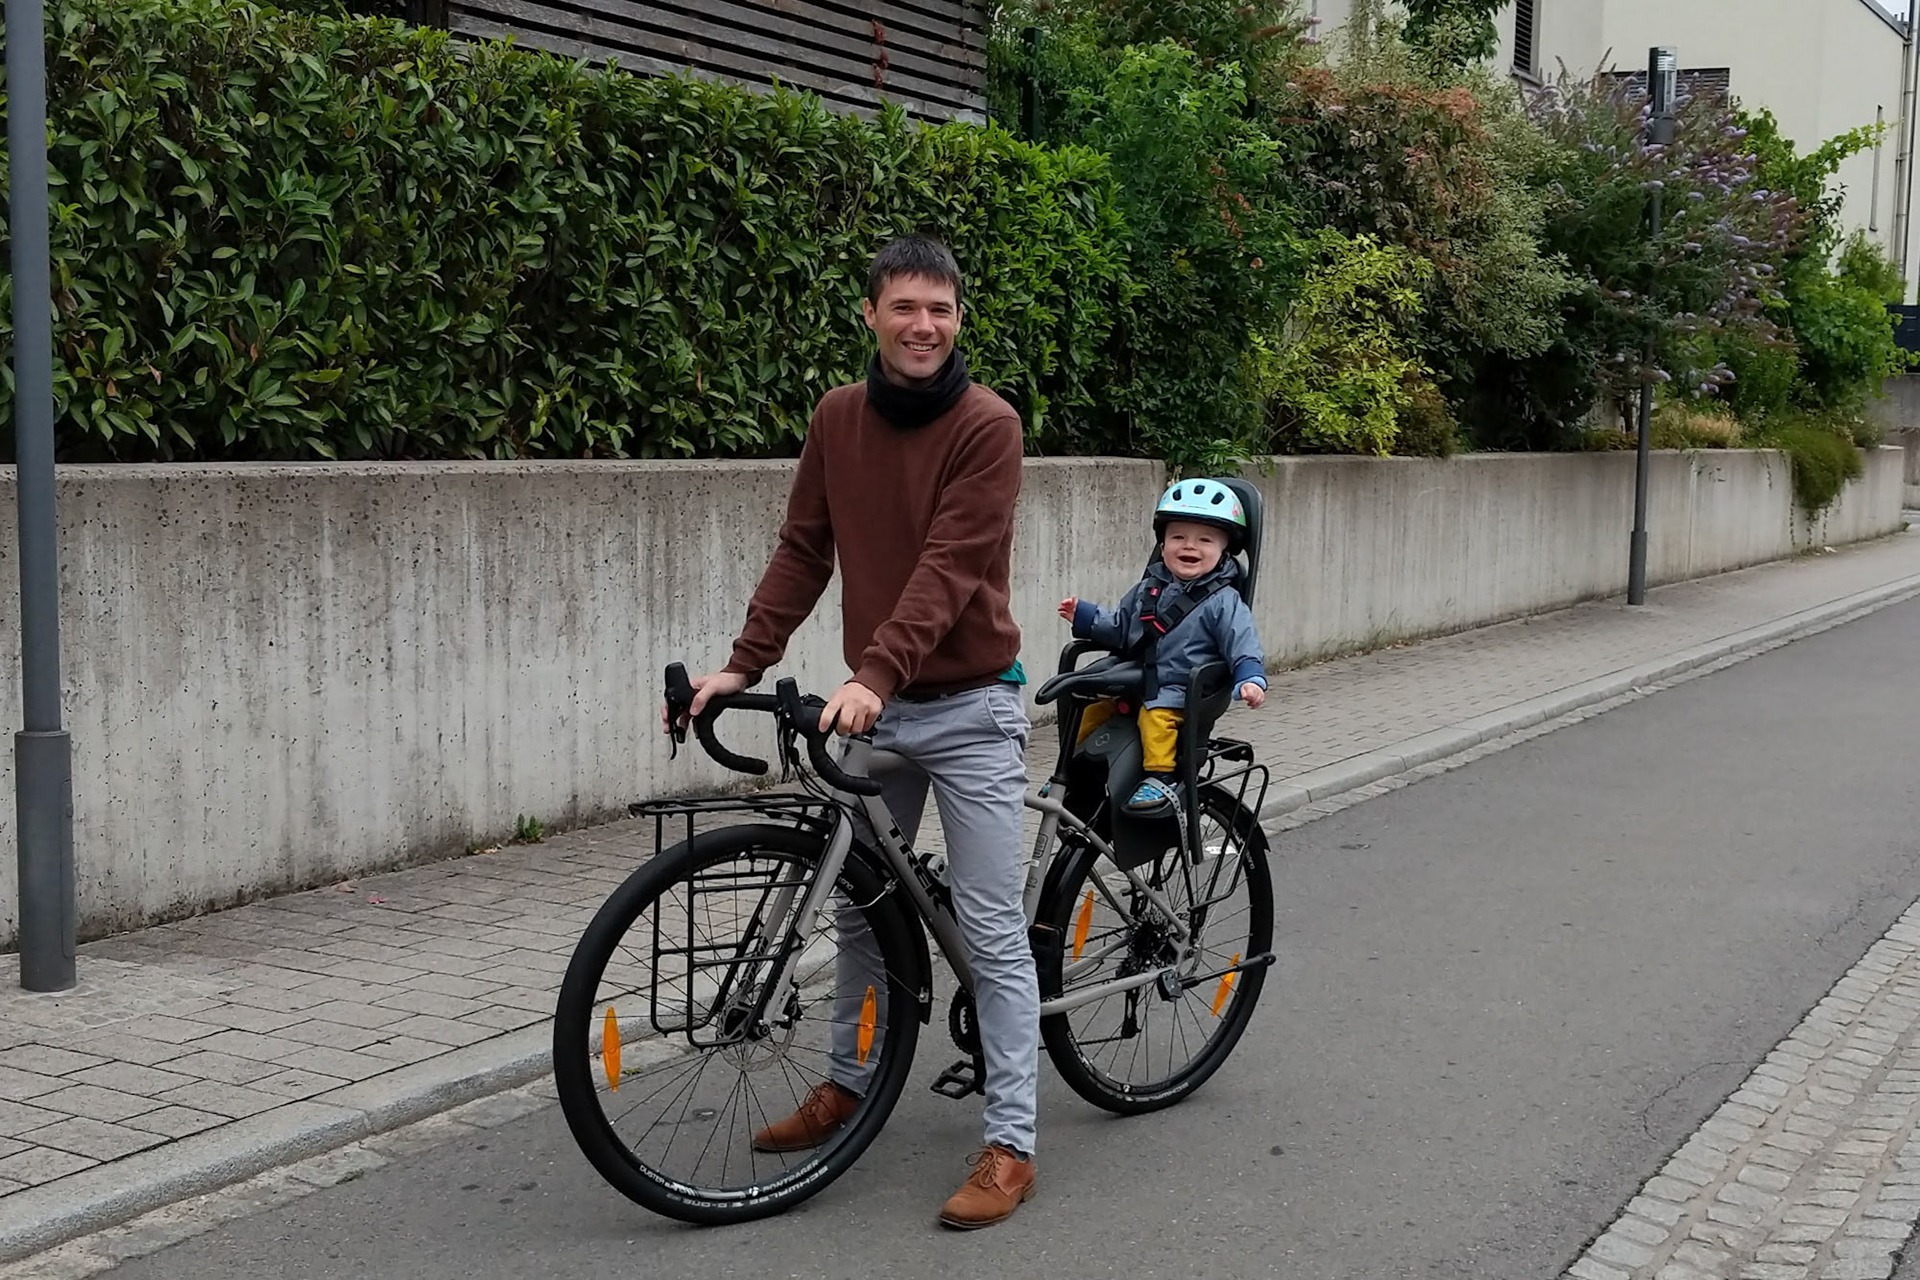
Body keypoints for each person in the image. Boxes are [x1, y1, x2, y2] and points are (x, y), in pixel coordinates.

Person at [672, 234, 1039, 1229]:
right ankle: (849, 1078)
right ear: (871, 314)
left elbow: (950, 564)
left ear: (960, 318)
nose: (926, 325)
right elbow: (804, 548)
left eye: (943, 309)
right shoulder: (839, 418)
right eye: (907, 307)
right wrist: (740, 665)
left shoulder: (987, 425)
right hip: (881, 701)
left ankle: (1012, 1140)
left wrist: (874, 671)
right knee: (860, 910)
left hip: (966, 705)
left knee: (993, 928)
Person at [1057, 478, 1268, 814]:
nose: (1190, 546)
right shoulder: (1148, 589)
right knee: (1091, 713)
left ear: (1224, 548)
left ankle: (1160, 778)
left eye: (1205, 540)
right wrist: (1084, 615)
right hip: (1137, 679)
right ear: (1163, 542)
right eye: (1178, 537)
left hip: (1181, 688)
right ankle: (1075, 774)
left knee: (1156, 722)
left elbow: (1242, 644)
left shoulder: (1223, 602)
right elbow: (1120, 629)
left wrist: (1250, 679)